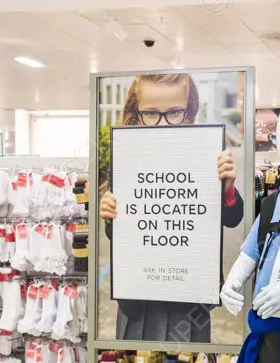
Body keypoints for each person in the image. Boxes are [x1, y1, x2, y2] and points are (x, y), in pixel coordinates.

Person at [100, 72, 245, 343]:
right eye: (151, 113)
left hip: (189, 294)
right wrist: (111, 216)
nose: (163, 122)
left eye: (175, 112)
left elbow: (233, 217)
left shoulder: (208, 151)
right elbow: (119, 234)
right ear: (136, 111)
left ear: (190, 112)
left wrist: (227, 189)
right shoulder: (127, 155)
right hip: (138, 294)